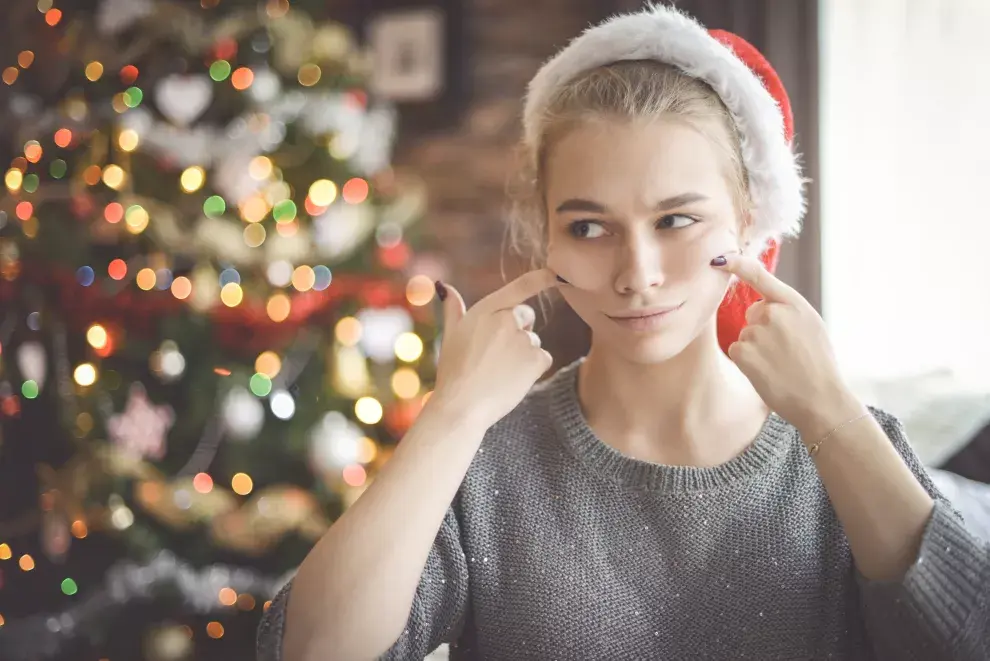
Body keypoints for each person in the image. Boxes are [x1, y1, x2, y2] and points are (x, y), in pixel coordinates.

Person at [257, 5, 989, 660]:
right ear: (546, 238)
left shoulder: (845, 441)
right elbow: (312, 650)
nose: (636, 274)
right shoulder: (488, 461)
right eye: (588, 226)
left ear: (748, 223)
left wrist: (831, 412)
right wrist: (451, 417)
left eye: (676, 219)